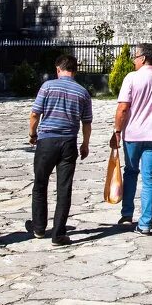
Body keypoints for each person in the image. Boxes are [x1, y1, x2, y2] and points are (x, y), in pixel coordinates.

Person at [27, 54, 92, 246]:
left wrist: (32, 134)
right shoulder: (82, 92)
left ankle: (39, 228)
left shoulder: (47, 87)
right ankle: (58, 234)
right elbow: (86, 123)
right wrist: (85, 144)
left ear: (58, 69)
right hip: (68, 143)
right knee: (64, 188)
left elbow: (34, 114)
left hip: (47, 140)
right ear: (75, 70)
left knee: (40, 184)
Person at [112, 43, 152, 236]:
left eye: (135, 57)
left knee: (131, 172)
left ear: (144, 58)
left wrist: (117, 130)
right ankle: (146, 222)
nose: (133, 60)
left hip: (133, 135)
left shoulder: (132, 78)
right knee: (149, 178)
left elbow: (123, 107)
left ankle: (127, 214)